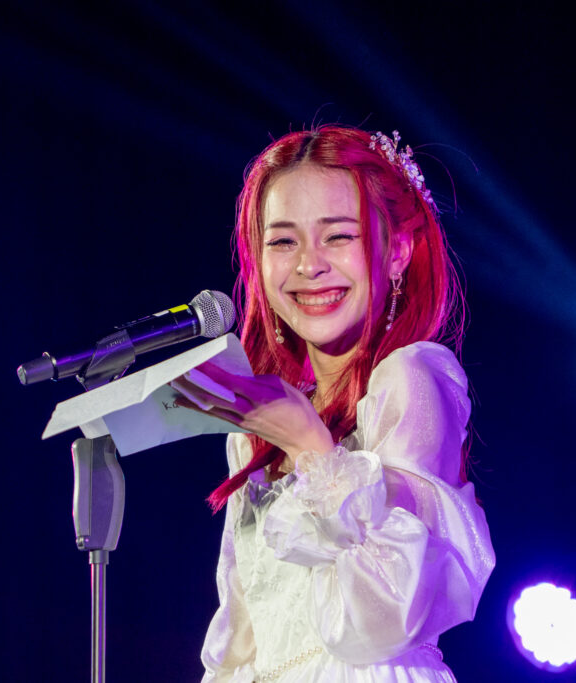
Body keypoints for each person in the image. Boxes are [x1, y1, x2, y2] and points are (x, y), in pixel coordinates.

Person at [171, 125, 495, 682]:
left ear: (398, 252)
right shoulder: (255, 432)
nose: (309, 265)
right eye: (283, 242)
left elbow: (387, 613)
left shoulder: (410, 377)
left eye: (338, 236)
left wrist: (309, 447)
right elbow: (241, 641)